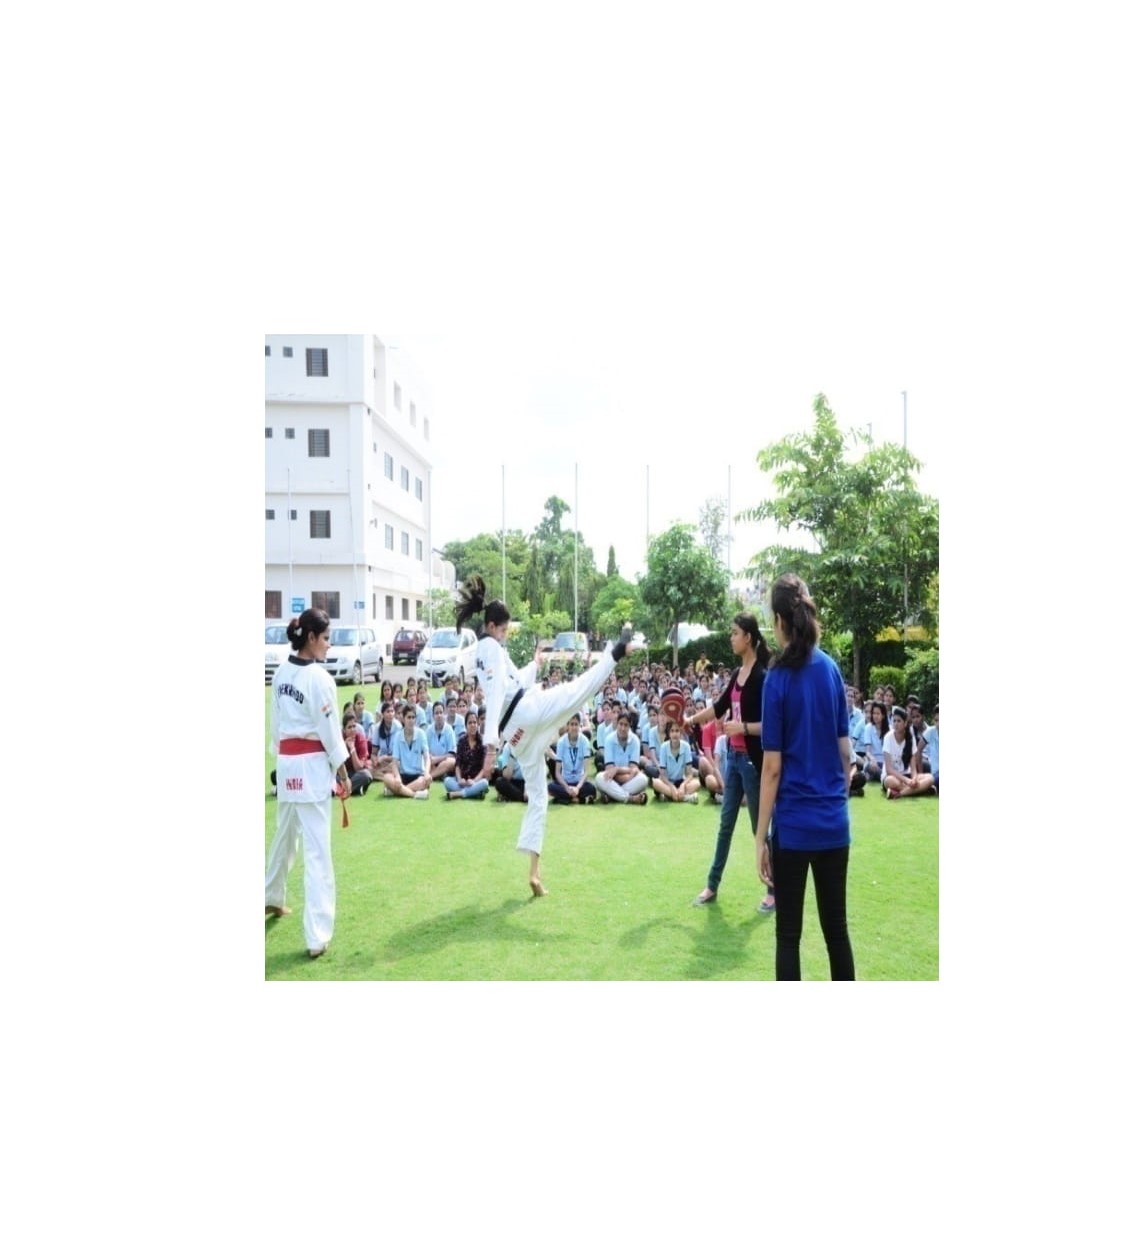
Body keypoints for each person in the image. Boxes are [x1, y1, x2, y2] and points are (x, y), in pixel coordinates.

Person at [456, 574, 633, 897]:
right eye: (504, 630)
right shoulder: (491, 649)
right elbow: (494, 696)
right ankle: (615, 652)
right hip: (524, 714)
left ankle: (535, 873)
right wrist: (490, 747)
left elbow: (511, 684)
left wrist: (534, 664)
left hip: (518, 736)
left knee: (538, 797)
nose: (505, 636)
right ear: (492, 626)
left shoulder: (486, 650)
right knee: (574, 693)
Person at [756, 573, 856, 980]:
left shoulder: (777, 679)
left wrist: (760, 837)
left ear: (780, 620)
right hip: (833, 824)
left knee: (788, 937)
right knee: (837, 932)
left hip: (794, 829)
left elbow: (772, 768)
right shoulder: (831, 670)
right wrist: (834, 801)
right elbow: (846, 753)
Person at [264, 607, 351, 959]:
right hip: (312, 769)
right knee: (317, 851)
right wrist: (342, 772)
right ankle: (317, 935)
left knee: (285, 835)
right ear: (311, 638)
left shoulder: (280, 674)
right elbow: (331, 732)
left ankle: (270, 896)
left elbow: (275, 726)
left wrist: (281, 755)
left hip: (287, 766)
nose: (329, 645)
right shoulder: (319, 679)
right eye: (326, 638)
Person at [688, 613, 774, 913]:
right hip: (733, 761)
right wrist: (691, 719)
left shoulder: (763, 676)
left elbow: (773, 725)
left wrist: (743, 728)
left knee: (759, 829)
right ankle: (712, 885)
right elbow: (718, 707)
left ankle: (772, 889)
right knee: (725, 825)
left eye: (735, 633)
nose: (731, 637)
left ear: (748, 637)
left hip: (752, 762)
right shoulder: (737, 674)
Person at [881, 705, 936, 799]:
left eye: (899, 721)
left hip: (907, 774)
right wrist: (907, 781)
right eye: (894, 721)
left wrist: (914, 779)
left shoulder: (910, 738)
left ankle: (898, 794)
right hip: (892, 776)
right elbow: (889, 769)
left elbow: (913, 768)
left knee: (930, 778)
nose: (896, 724)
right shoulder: (888, 737)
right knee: (890, 781)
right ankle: (922, 790)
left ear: (905, 723)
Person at [597, 711, 650, 804]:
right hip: (615, 780)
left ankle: (612, 796)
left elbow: (633, 768)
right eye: (620, 724)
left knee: (643, 779)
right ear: (617, 724)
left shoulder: (635, 740)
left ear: (630, 726)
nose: (623, 728)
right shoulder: (609, 739)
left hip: (628, 780)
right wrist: (626, 775)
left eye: (626, 725)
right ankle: (630, 798)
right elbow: (609, 770)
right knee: (599, 778)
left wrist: (617, 769)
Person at [548, 713, 597, 804]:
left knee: (592, 789)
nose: (574, 727)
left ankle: (565, 799)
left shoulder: (584, 741)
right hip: (565, 782)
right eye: (572, 724)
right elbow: (557, 773)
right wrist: (567, 788)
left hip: (579, 782)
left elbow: (586, 772)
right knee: (550, 787)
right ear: (568, 726)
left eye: (576, 724)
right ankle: (578, 799)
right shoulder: (561, 742)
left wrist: (577, 788)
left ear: (580, 725)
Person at [444, 711, 490, 800]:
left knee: (485, 783)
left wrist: (474, 781)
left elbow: (484, 768)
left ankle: (460, 794)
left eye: (474, 722)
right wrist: (459, 779)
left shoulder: (483, 742)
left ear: (478, 724)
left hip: (477, 780)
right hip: (463, 781)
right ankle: (474, 793)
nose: (472, 725)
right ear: (466, 725)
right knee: (447, 781)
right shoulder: (461, 741)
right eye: (470, 723)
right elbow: (457, 764)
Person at [650, 720, 700, 803]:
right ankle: (686, 798)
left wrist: (683, 785)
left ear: (680, 733)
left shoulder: (686, 746)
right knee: (656, 783)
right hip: (667, 782)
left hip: (680, 781)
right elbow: (662, 775)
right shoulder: (663, 747)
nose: (674, 734)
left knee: (697, 783)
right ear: (669, 733)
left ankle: (670, 796)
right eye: (672, 731)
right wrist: (672, 787)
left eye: (677, 731)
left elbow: (690, 774)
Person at [390, 703, 432, 798]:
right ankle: (414, 794)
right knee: (386, 778)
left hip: (418, 775)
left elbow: (427, 758)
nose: (411, 720)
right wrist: (397, 777)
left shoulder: (421, 734)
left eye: (413, 717)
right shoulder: (398, 736)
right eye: (409, 717)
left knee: (425, 781)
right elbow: (394, 762)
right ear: (403, 719)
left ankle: (398, 791)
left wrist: (426, 773)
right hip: (403, 775)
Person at [341, 712, 374, 796]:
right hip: (342, 774)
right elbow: (335, 765)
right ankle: (356, 789)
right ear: (344, 730)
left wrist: (352, 749)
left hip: (355, 774)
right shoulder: (339, 740)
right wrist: (344, 747)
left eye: (354, 726)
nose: (352, 730)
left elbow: (358, 768)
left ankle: (342, 790)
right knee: (331, 778)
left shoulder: (361, 739)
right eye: (349, 727)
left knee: (366, 775)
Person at [426, 700, 458, 782]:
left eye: (441, 712)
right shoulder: (429, 730)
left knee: (451, 762)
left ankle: (430, 776)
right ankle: (439, 774)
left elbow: (452, 754)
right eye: (436, 713)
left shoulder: (449, 730)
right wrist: (430, 758)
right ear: (433, 716)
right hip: (432, 762)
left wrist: (437, 759)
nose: (439, 715)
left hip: (444, 762)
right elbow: (425, 750)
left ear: (444, 714)